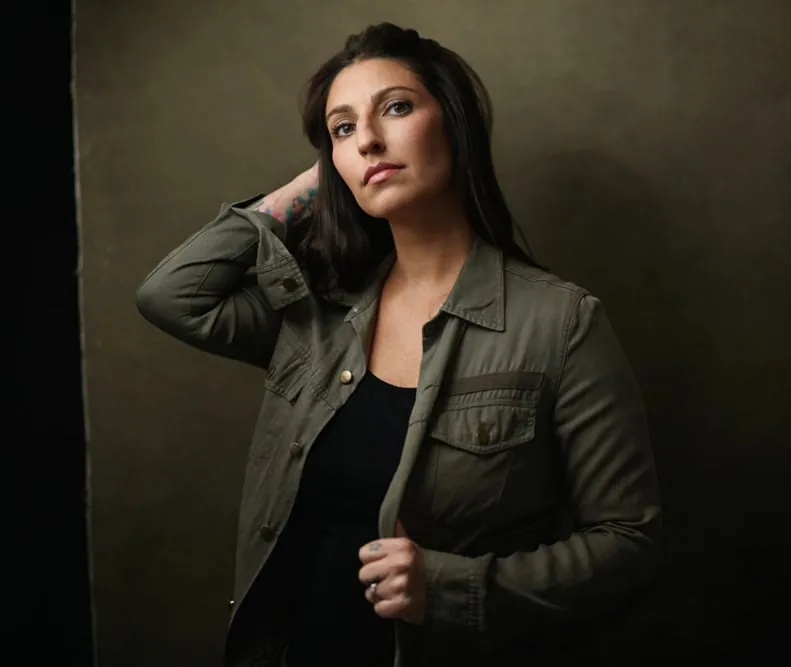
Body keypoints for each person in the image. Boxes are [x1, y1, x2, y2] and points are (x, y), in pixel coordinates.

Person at [136, 22, 662, 667]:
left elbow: (628, 544)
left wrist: (448, 587)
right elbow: (172, 296)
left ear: (454, 123)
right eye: (343, 128)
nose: (370, 141)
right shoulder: (317, 317)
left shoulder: (560, 323)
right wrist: (323, 179)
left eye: (396, 108)